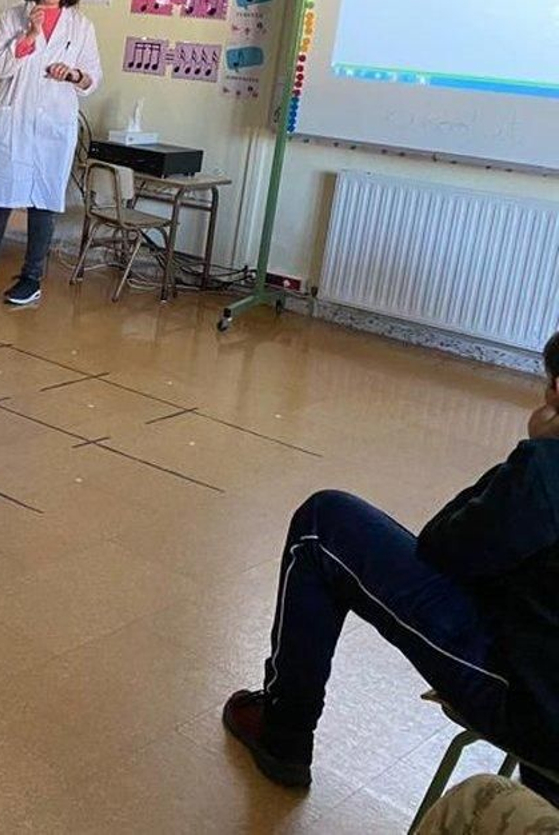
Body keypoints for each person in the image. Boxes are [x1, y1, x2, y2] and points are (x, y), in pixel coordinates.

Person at [222, 329, 559, 804]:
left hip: (533, 705)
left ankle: (283, 731)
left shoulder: (548, 471)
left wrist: (538, 452)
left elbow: (443, 544)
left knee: (324, 524)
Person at [0, 0, 102, 308]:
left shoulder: (81, 26)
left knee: (44, 201)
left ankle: (31, 278)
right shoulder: (13, 18)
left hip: (52, 125)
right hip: (14, 119)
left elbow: (92, 78)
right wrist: (27, 37)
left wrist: (72, 73)